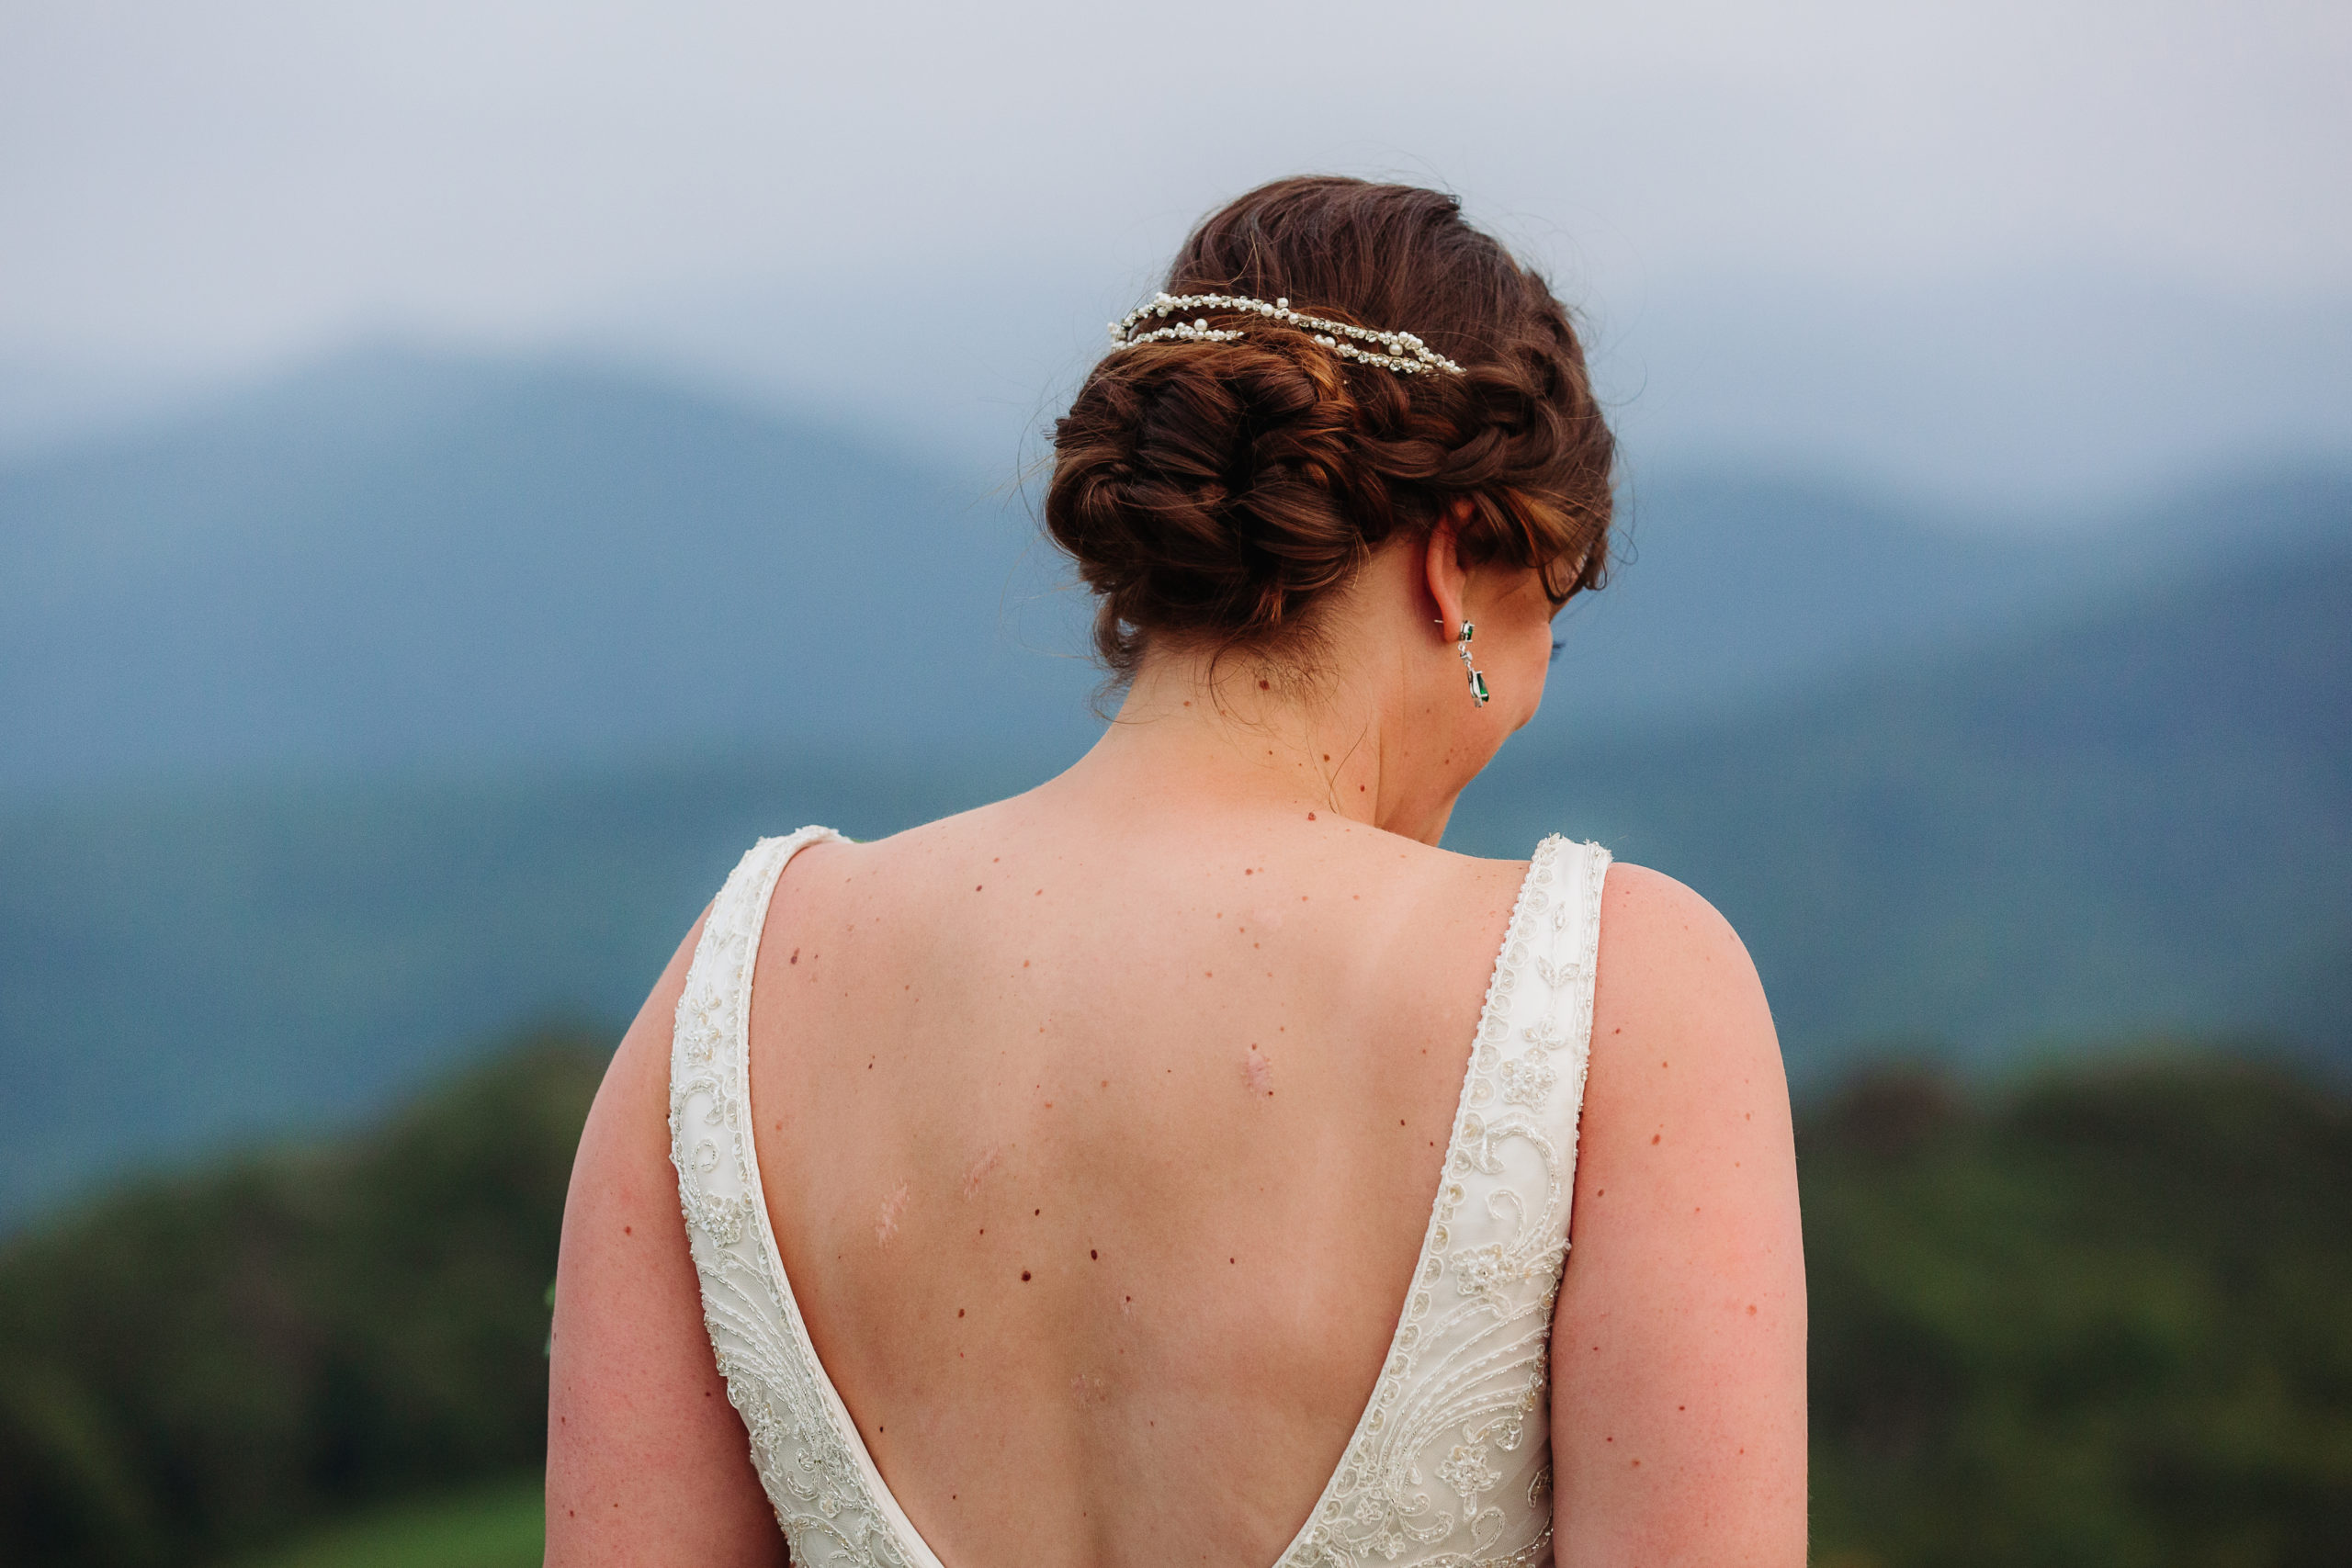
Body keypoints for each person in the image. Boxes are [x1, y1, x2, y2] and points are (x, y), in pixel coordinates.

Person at [545, 175, 1805, 1567]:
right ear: (1454, 567)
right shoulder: (1629, 1000)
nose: (1523, 702)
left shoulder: (733, 989)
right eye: (1541, 633)